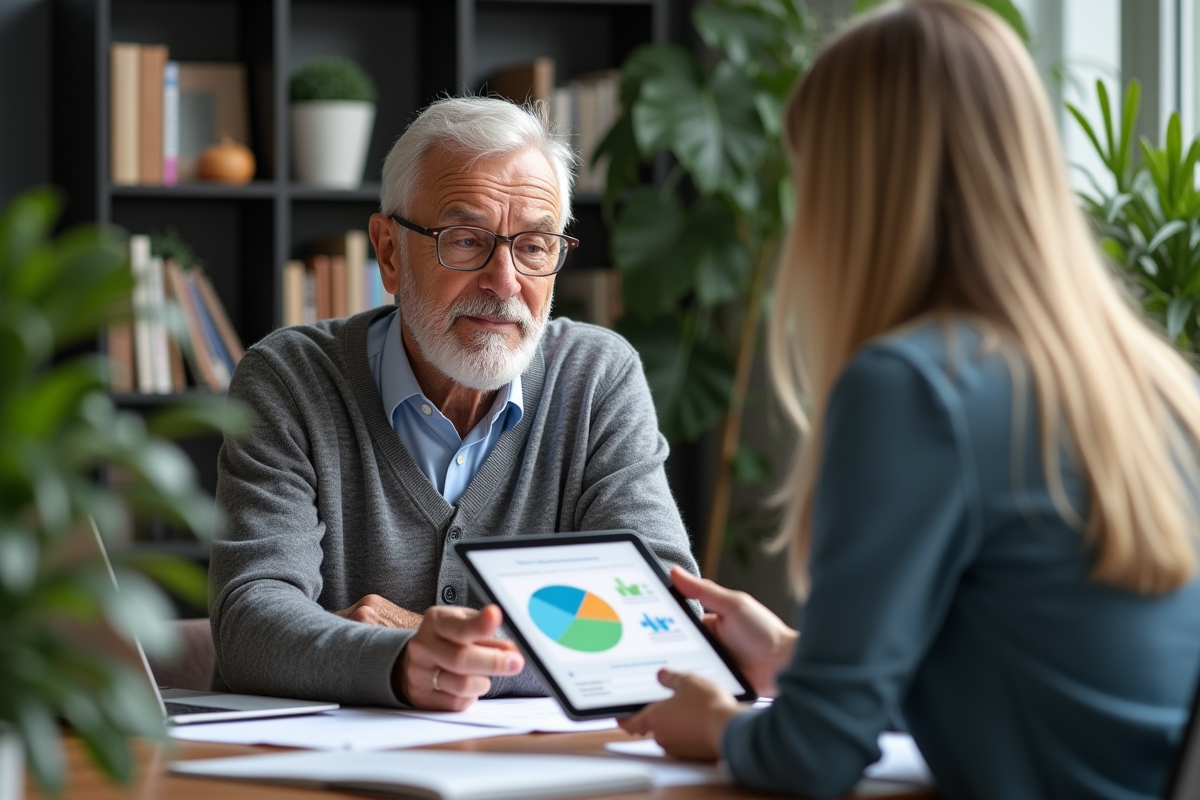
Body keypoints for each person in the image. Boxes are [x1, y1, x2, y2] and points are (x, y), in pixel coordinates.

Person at [618, 1, 1200, 798]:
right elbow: (1034, 659)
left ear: (858, 189)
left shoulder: (915, 386)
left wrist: (715, 725)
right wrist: (796, 655)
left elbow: (815, 754)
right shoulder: (1149, 379)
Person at [208, 96, 699, 711]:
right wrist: (412, 664)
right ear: (389, 252)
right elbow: (250, 624)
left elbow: (667, 622)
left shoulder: (597, 377)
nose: (504, 281)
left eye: (535, 246)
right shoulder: (290, 378)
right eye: (465, 241)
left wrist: (420, 646)